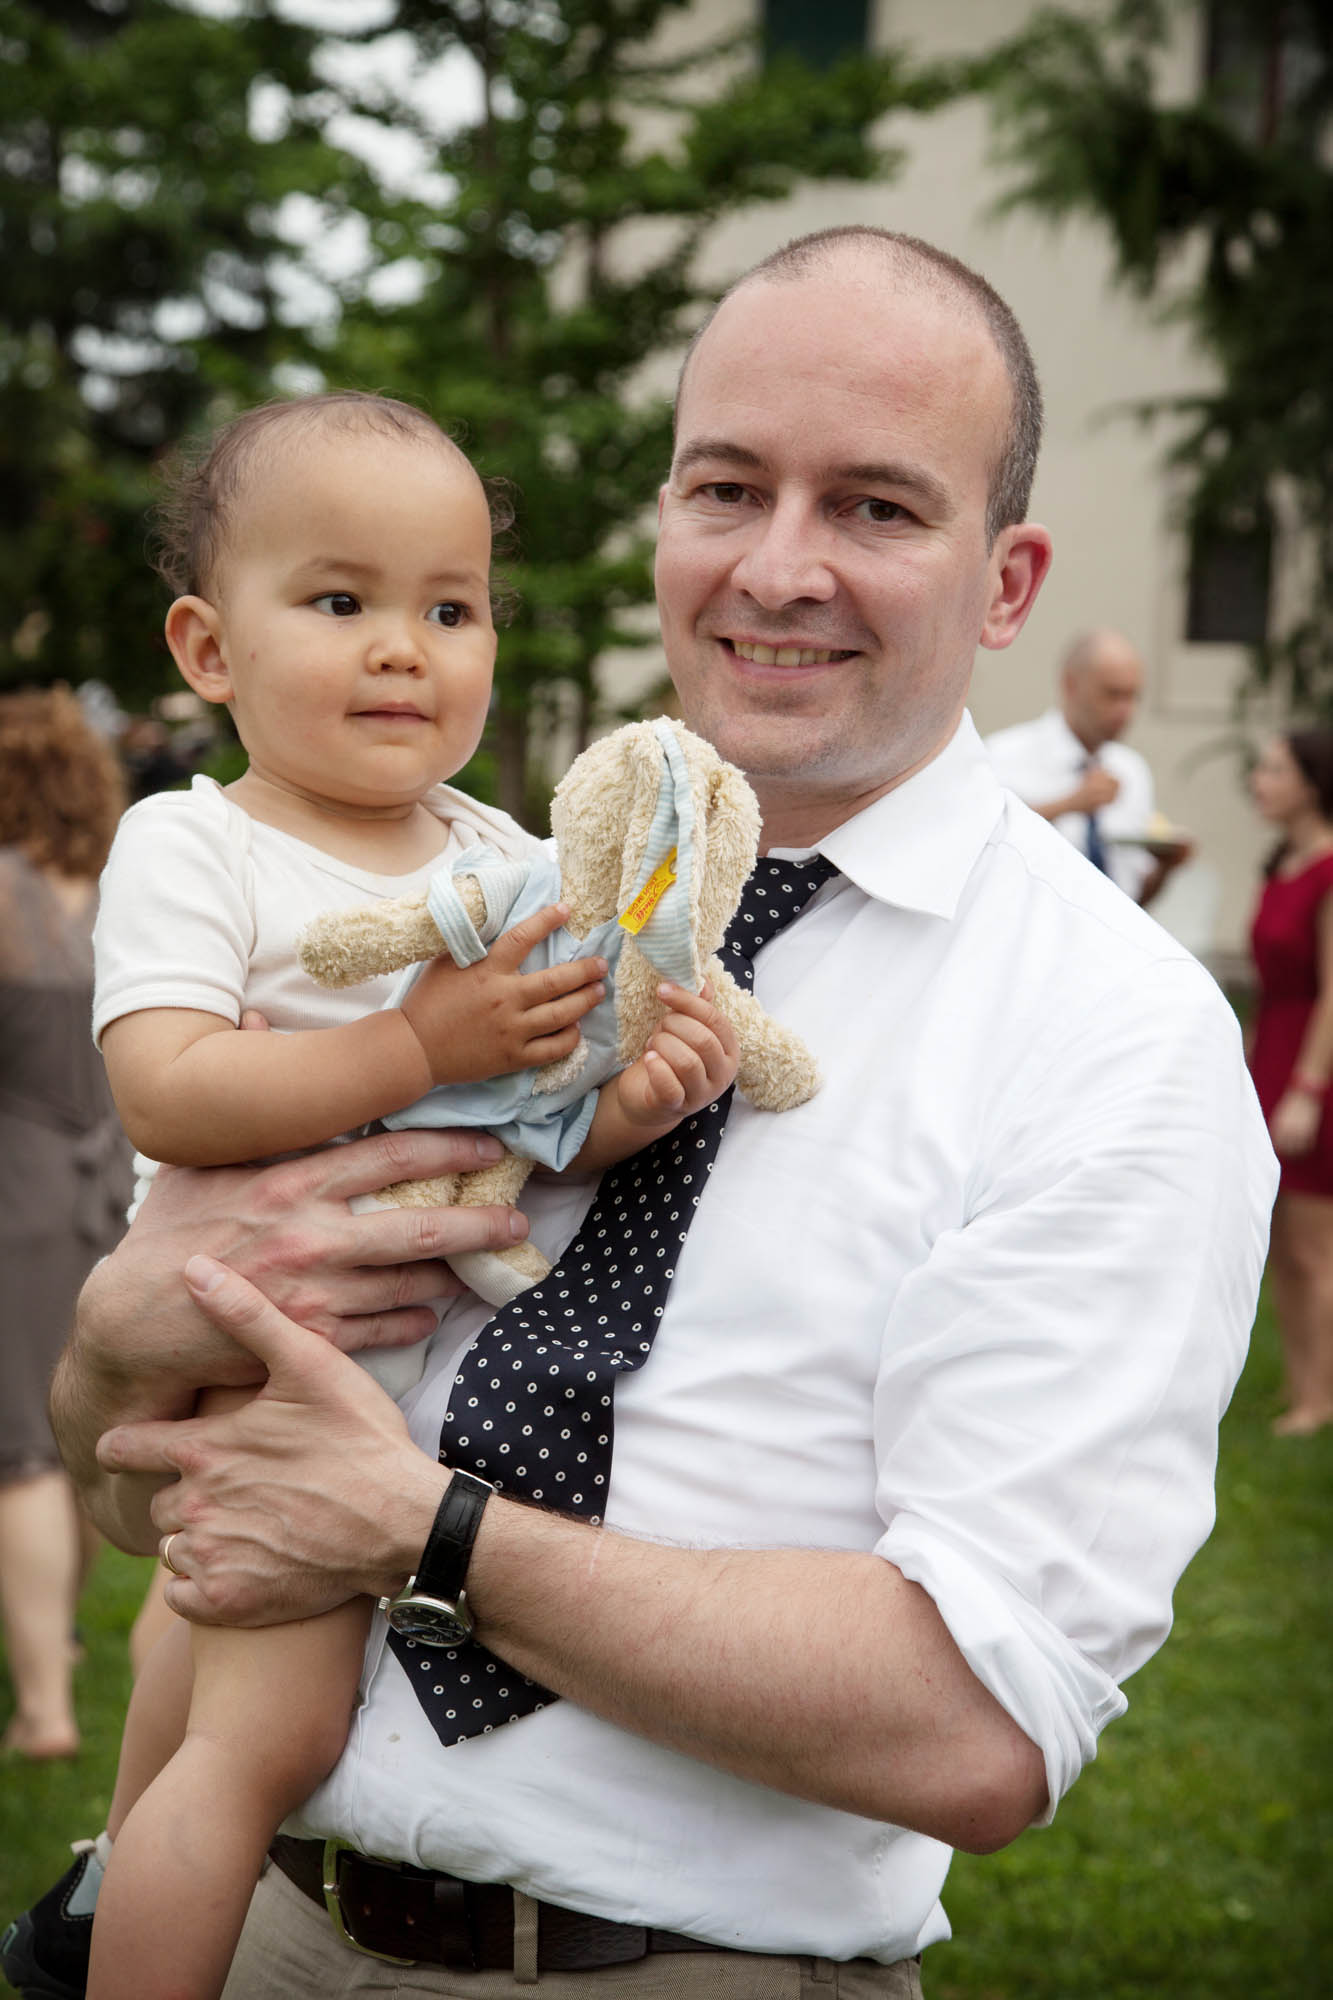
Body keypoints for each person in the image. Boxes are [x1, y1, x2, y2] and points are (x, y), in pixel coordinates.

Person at [36, 228, 1276, 1999]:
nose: (777, 567)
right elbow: (157, 1496)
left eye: (873, 507)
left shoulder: (1109, 1034)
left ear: (1005, 583)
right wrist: (111, 1363)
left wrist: (425, 1528)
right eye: (726, 488)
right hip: (262, 1928)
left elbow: (976, 1726)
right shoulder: (504, 895)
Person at [8, 392, 737, 2000]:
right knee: (262, 1749)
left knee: (189, 1649)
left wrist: (630, 1104)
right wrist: (414, 1042)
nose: (405, 649)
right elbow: (168, 1085)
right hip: (266, 1346)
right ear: (209, 648)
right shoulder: (198, 846)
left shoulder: (497, 848)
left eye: (450, 610)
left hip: (393, 1349)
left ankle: (105, 1888)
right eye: (340, 602)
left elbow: (514, 1127)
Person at [0, 687, 132, 1762]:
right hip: (120, 1181)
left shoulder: (2, 890)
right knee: (78, 1434)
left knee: (21, 1450)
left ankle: (43, 1706)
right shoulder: (121, 888)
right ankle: (67, 1646)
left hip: (22, 1186)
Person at [1247, 729, 1333, 1436]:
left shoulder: (1329, 870)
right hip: (1270, 1054)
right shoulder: (1280, 864)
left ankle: (1320, 1398)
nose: (1260, 780)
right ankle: (1301, 1385)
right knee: (1279, 1244)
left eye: (1275, 770)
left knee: (1313, 1246)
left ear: (1311, 782)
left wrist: (1307, 1089)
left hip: (1313, 1065)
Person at [984, 628, 1191, 905]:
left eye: (1132, 696)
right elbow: (981, 847)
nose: (1125, 711)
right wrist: (1069, 804)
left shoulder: (1131, 769)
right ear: (1070, 685)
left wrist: (1166, 867)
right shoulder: (1004, 755)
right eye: (1112, 694)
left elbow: (1131, 899)